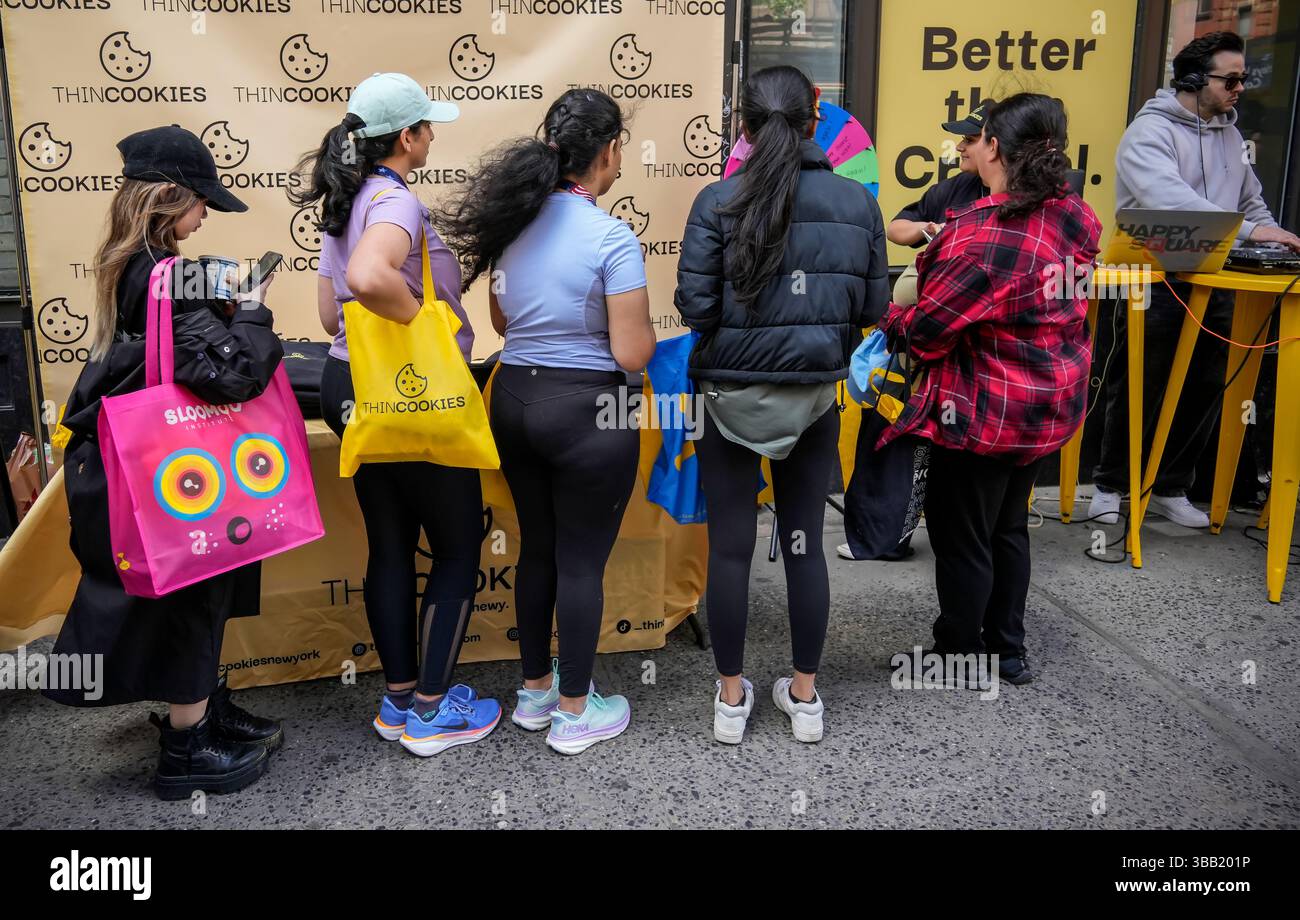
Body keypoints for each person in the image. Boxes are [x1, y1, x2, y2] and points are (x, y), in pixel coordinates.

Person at [45, 126, 285, 799]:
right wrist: (255, 312)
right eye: (202, 201)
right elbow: (234, 376)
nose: (206, 214)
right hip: (163, 468)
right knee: (192, 591)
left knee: (191, 590)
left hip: (126, 461)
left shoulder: (130, 265)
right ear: (169, 198)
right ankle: (188, 749)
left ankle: (204, 706)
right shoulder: (169, 277)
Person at [434, 89, 654, 756]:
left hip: (514, 402)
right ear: (610, 151)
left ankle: (534, 692)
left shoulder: (515, 226)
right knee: (581, 563)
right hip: (587, 409)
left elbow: (503, 324)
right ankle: (575, 711)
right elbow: (630, 352)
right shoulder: (612, 236)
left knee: (538, 547)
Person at [674, 66, 889, 744]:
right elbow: (874, 310)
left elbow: (696, 307)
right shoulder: (858, 204)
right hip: (813, 402)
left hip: (725, 400)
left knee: (730, 549)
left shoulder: (716, 201)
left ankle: (731, 701)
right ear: (816, 113)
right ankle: (805, 698)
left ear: (742, 123)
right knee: (804, 546)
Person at [291, 72, 500, 757]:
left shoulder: (343, 205)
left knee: (389, 545)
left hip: (351, 385)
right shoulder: (393, 203)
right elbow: (368, 279)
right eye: (428, 127)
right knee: (458, 548)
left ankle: (402, 699)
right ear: (406, 138)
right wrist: (424, 329)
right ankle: (433, 714)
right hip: (412, 388)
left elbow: (330, 314)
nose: (434, 136)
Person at [879, 93, 1102, 687]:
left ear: (995, 146)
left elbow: (928, 332)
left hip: (984, 409)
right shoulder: (1074, 215)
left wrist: (887, 322)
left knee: (960, 536)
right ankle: (1007, 649)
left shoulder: (981, 235)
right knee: (1006, 526)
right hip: (1049, 402)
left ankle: (958, 653)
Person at [1090, 31, 1300, 528]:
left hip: (1218, 275)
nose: (1239, 88)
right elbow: (1173, 202)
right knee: (1140, 383)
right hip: (1156, 275)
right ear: (1191, 79)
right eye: (1230, 79)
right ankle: (1110, 485)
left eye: (1243, 79)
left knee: (1206, 384)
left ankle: (1170, 485)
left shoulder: (1230, 135)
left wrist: (1273, 237)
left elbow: (1250, 200)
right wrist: (1252, 229)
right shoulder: (1149, 133)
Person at [885, 101, 991, 303]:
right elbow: (894, 229)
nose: (960, 147)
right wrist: (930, 228)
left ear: (994, 145)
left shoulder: (1022, 199)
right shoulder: (955, 186)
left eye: (969, 140)